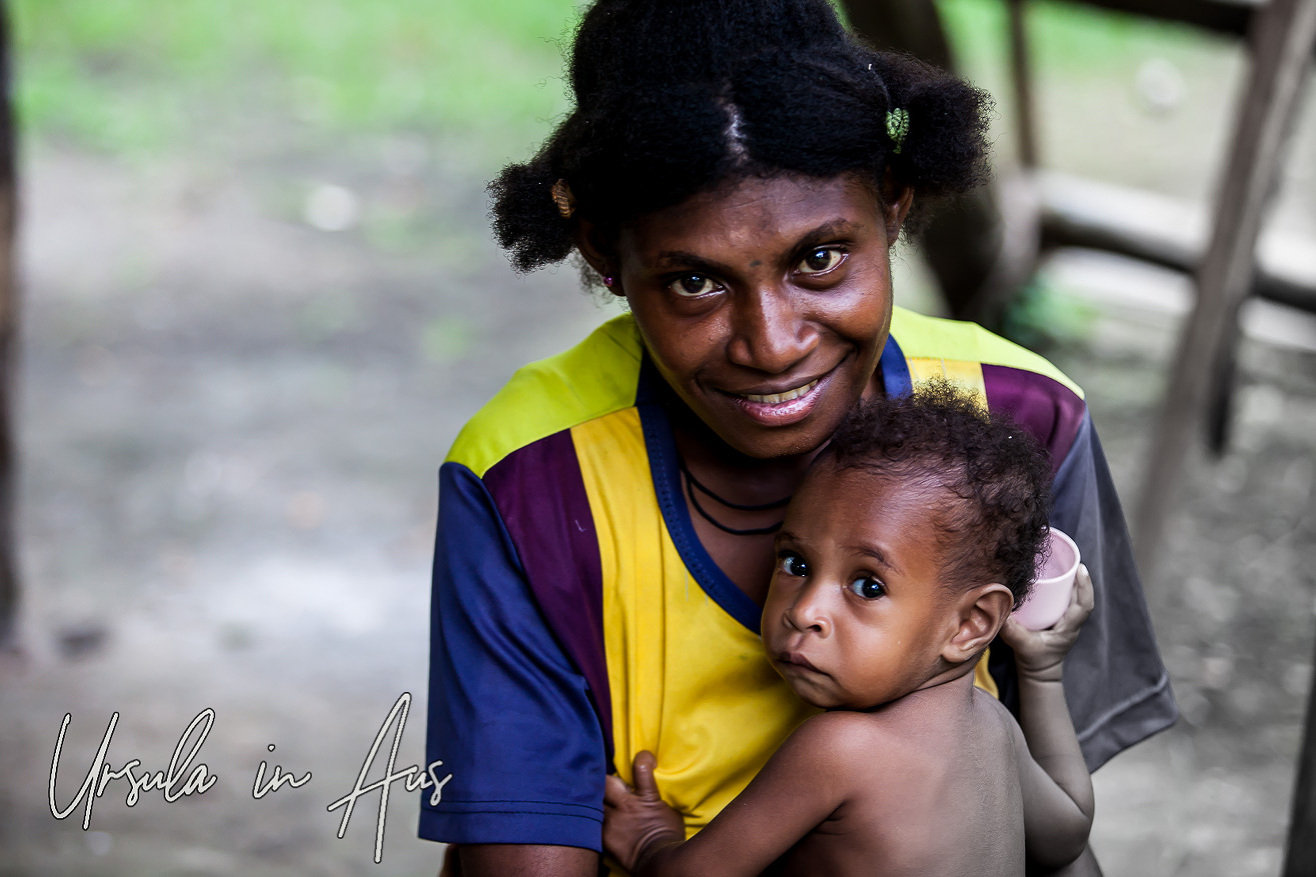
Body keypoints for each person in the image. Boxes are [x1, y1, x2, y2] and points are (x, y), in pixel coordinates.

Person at [420, 1, 1177, 874]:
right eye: (696, 281)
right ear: (603, 250)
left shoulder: (1020, 416)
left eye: (820, 259)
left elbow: (1045, 841)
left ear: (894, 203)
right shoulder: (530, 478)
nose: (772, 344)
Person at [602, 386, 1095, 876]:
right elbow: (1067, 835)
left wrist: (651, 842)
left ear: (971, 624)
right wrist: (1042, 673)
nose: (804, 610)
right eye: (795, 562)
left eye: (868, 585)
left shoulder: (840, 748)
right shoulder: (994, 727)